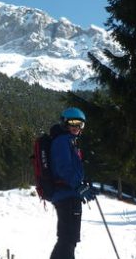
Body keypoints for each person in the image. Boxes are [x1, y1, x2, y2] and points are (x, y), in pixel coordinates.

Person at [49, 107, 96, 259]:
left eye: (80, 125)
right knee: (68, 239)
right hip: (66, 195)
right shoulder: (62, 141)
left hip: (69, 195)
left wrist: (83, 181)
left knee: (68, 239)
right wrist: (78, 185)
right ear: (64, 123)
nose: (76, 128)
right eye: (73, 123)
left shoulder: (69, 141)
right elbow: (64, 168)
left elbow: (72, 168)